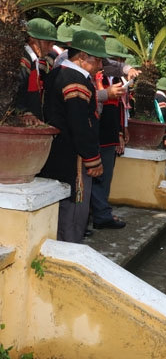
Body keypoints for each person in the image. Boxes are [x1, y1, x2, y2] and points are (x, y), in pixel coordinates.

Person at [38, 30, 107, 243]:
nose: (101, 65)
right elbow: (80, 123)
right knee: (73, 213)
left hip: (55, 152)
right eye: (98, 59)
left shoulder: (57, 73)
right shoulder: (75, 79)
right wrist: (92, 158)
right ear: (84, 57)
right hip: (72, 157)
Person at [90, 38, 132, 231]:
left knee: (104, 178)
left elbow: (119, 110)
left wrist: (120, 133)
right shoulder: (98, 79)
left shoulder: (113, 79)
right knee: (98, 177)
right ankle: (100, 215)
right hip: (98, 134)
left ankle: (100, 213)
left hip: (108, 135)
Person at [16, 18, 57, 126]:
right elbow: (15, 92)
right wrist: (24, 112)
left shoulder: (32, 60)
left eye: (52, 44)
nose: (50, 48)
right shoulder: (23, 60)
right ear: (32, 39)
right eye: (47, 43)